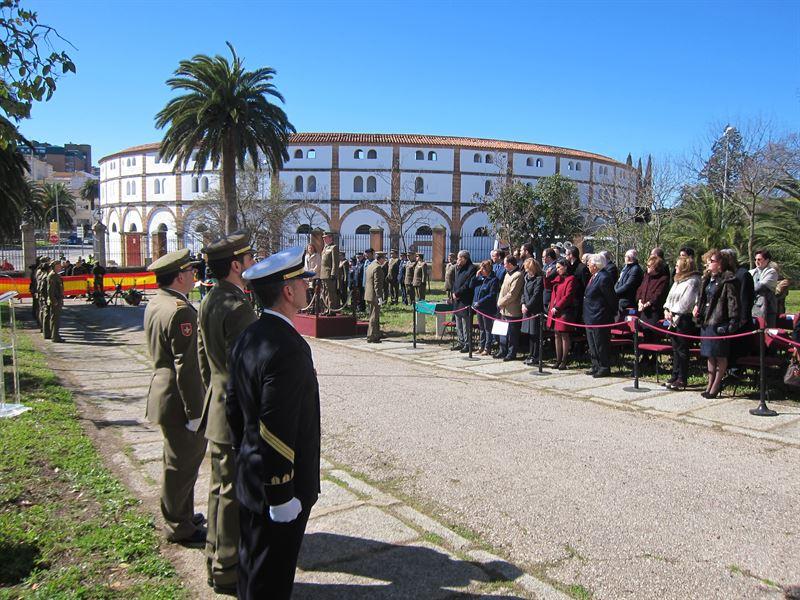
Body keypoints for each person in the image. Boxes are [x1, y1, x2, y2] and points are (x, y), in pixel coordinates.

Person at [227, 247, 320, 599]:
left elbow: (233, 406)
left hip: (252, 473)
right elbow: (275, 425)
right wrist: (282, 493)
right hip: (281, 485)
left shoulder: (249, 335)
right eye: (302, 281)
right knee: (273, 578)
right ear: (287, 291)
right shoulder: (287, 348)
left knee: (252, 566)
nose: (307, 287)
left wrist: (245, 455)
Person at [196, 233, 257, 595]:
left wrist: (212, 397)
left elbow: (205, 360)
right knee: (231, 494)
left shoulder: (210, 299)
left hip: (216, 406)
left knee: (219, 489)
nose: (251, 263)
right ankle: (228, 568)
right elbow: (247, 371)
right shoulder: (238, 308)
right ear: (236, 265)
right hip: (232, 413)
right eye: (247, 258)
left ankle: (214, 561)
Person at [143, 248, 207, 546]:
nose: (195, 275)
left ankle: (182, 514)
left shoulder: (158, 302)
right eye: (191, 271)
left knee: (178, 462)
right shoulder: (181, 310)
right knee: (181, 465)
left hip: (163, 391)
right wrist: (196, 412)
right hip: (179, 399)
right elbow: (188, 366)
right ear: (180, 276)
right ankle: (178, 526)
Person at [695, 249, 740, 399]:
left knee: (720, 355)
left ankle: (716, 384)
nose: (708, 263)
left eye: (711, 261)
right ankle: (709, 384)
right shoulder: (707, 279)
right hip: (707, 322)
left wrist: (732, 323)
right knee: (710, 355)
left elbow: (732, 303)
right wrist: (698, 310)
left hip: (719, 322)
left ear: (720, 263)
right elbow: (702, 299)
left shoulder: (728, 280)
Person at [663, 257, 701, 390]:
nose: (676, 267)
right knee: (675, 349)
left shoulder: (693, 281)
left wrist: (673, 312)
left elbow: (686, 302)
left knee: (683, 350)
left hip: (684, 319)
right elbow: (669, 298)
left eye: (678, 265)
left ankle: (682, 378)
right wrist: (667, 310)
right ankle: (674, 375)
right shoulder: (677, 280)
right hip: (672, 319)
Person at [583, 253, 617, 378]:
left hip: (599, 316)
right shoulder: (593, 277)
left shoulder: (604, 277)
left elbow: (611, 298)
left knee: (600, 343)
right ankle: (595, 364)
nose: (588, 265)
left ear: (596, 265)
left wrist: (613, 312)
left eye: (590, 263)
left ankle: (604, 367)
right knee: (592, 343)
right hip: (590, 316)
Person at [546, 258, 578, 369]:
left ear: (565, 267)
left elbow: (568, 296)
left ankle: (564, 360)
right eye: (557, 267)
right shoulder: (558, 278)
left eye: (559, 267)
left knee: (564, 335)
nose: (557, 269)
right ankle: (558, 359)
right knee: (556, 335)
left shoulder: (571, 279)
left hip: (564, 311)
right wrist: (548, 275)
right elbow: (548, 286)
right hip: (555, 311)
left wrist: (558, 307)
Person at [496, 255, 524, 361]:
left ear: (510, 264)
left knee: (512, 334)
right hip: (503, 308)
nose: (503, 265)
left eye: (505, 263)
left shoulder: (518, 275)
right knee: (503, 332)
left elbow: (512, 294)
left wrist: (501, 302)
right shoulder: (507, 274)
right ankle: (502, 350)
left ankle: (511, 353)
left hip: (512, 310)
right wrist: (500, 302)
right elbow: (502, 290)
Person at [636, 255, 670, 337]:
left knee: (652, 336)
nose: (647, 267)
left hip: (653, 312)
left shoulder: (663, 279)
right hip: (644, 312)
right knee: (644, 336)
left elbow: (658, 295)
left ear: (655, 267)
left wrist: (647, 304)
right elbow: (640, 289)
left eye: (649, 266)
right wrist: (640, 301)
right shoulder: (646, 276)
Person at [471, 260, 500, 356]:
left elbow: (492, 294)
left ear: (487, 269)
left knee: (488, 328)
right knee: (481, 328)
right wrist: (476, 276)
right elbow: (471, 285)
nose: (481, 270)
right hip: (478, 308)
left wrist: (480, 302)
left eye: (483, 268)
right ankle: (481, 346)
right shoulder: (481, 278)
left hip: (487, 308)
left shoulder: (493, 280)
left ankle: (487, 347)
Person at [451, 250, 477, 352]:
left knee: (466, 325)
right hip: (457, 300)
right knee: (458, 324)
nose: (457, 260)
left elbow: (467, 285)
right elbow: (455, 282)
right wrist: (453, 293)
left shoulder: (472, 268)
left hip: (465, 300)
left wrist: (457, 293)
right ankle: (460, 342)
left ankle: (467, 344)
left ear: (464, 258)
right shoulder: (458, 268)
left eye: (458, 258)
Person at [521, 257, 544, 365]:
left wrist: (528, 306)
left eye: (527, 268)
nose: (525, 270)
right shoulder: (526, 278)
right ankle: (530, 354)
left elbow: (536, 295)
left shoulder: (539, 279)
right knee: (530, 334)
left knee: (535, 335)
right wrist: (523, 304)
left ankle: (536, 356)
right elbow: (523, 293)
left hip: (534, 310)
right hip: (527, 309)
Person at [750, 249, 778, 327]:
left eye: (759, 259)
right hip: (753, 307)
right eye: (755, 259)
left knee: (767, 333)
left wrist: (747, 288)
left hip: (768, 309)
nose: (756, 261)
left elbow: (760, 286)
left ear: (767, 260)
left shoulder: (771, 272)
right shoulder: (751, 272)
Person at [614, 249, 643, 320]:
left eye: (625, 256)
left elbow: (628, 285)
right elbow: (619, 281)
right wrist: (614, 290)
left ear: (629, 258)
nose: (624, 258)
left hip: (627, 301)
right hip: (619, 299)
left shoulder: (635, 269)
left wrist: (615, 292)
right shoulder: (626, 267)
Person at [365, 251, 387, 343]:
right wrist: (379, 297)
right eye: (384, 259)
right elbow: (377, 284)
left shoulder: (370, 265)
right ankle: (371, 336)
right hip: (374, 295)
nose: (384, 261)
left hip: (368, 294)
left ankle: (376, 334)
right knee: (374, 316)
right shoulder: (377, 267)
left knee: (372, 315)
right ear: (380, 258)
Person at [319, 232, 340, 314]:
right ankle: (326, 309)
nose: (324, 239)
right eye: (323, 237)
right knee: (324, 292)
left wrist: (333, 273)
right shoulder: (325, 247)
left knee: (330, 292)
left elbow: (335, 262)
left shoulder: (334, 247)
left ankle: (331, 310)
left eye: (326, 237)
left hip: (329, 273)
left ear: (330, 238)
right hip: (323, 274)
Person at [46, 259, 65, 343]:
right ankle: (55, 337)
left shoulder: (56, 275)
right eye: (58, 266)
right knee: (55, 319)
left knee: (56, 319)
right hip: (55, 300)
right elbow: (50, 290)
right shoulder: (53, 276)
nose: (60, 267)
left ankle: (55, 335)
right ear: (54, 267)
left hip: (58, 299)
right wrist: (54, 301)